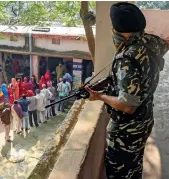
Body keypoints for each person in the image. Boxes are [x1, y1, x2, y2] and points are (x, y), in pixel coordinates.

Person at [84, 3, 168, 179]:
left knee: (119, 174)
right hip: (144, 121)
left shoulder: (126, 59)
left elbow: (127, 105)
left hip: (126, 132)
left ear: (119, 31)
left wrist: (98, 96)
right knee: (134, 168)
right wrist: (109, 81)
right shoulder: (151, 42)